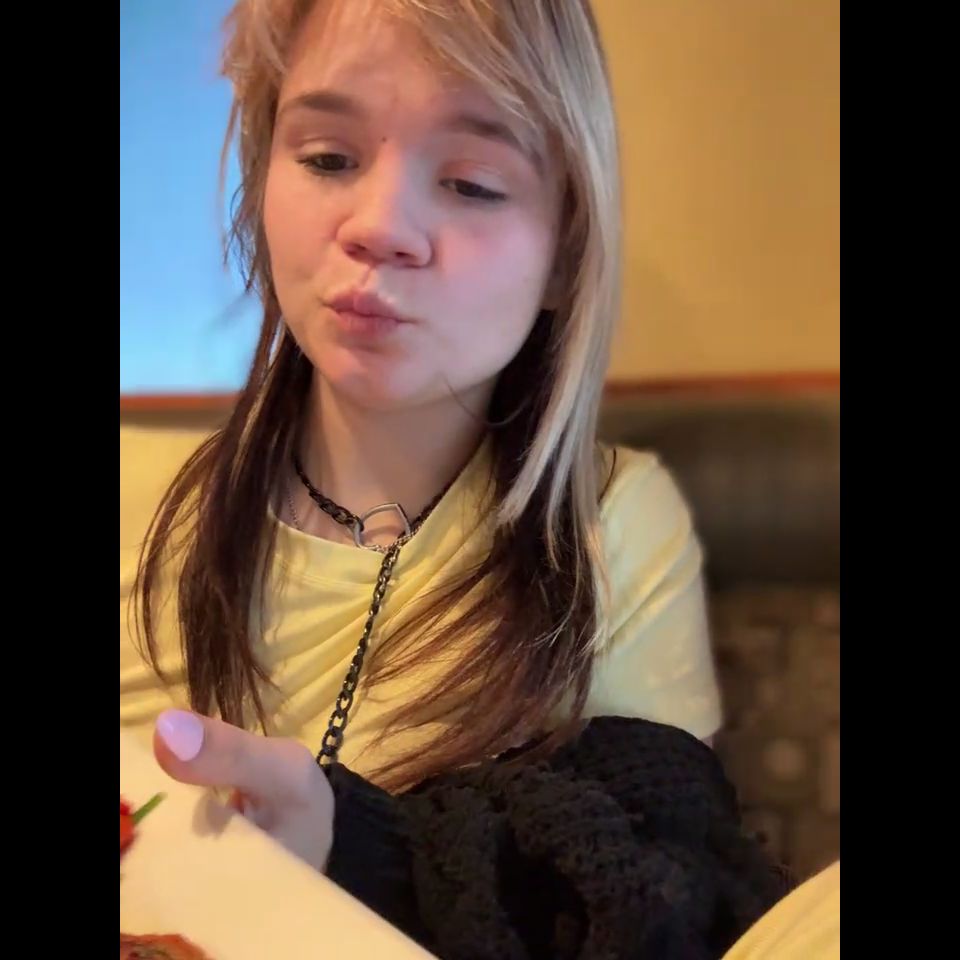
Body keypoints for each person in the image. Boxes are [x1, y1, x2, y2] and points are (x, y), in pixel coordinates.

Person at [121, 0, 789, 954]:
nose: (380, 227)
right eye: (327, 159)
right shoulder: (138, 494)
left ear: (564, 253)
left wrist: (348, 852)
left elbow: (652, 899)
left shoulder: (608, 526)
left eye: (472, 184)